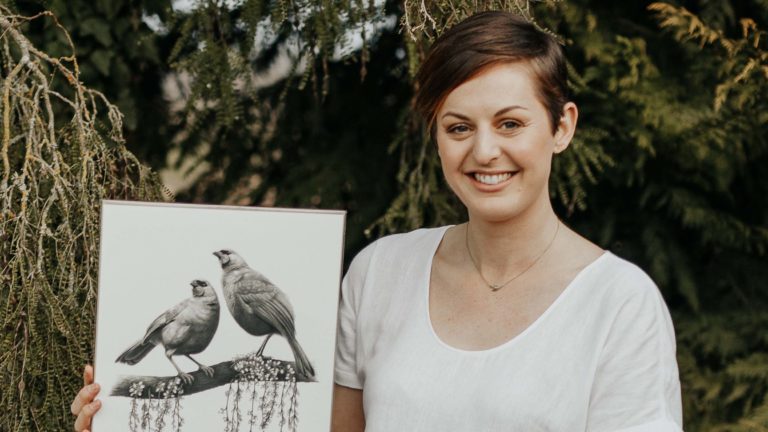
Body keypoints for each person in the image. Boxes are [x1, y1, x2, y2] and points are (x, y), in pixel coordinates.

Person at [72, 11, 683, 432]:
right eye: (458, 126)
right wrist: (125, 416)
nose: (484, 151)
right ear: (437, 137)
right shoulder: (381, 271)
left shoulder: (620, 305)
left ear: (564, 126)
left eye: (512, 123)